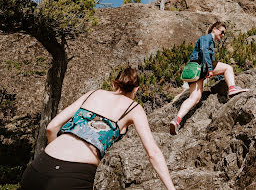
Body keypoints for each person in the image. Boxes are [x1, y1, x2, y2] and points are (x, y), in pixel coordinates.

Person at [20, 67, 175, 190]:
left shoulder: (93, 94)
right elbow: (153, 153)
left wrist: (55, 155)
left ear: (114, 84)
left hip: (39, 167)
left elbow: (51, 127)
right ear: (136, 89)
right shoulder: (133, 108)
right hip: (73, 176)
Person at [169, 21, 248, 135]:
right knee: (228, 68)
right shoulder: (207, 38)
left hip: (194, 71)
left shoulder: (208, 40)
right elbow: (205, 52)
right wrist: (210, 69)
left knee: (194, 98)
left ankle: (177, 120)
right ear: (214, 29)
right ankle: (232, 88)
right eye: (222, 32)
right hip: (202, 67)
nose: (223, 35)